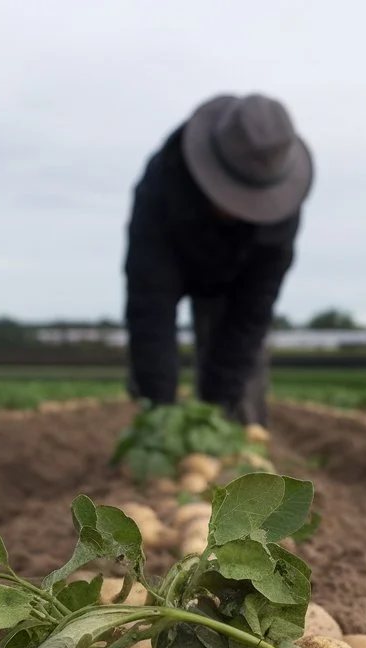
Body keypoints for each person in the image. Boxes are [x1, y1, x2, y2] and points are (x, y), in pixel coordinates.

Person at [122, 93, 314, 427]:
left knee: (240, 394)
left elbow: (251, 314)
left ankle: (235, 440)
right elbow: (150, 302)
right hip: (172, 260)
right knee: (153, 383)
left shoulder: (279, 221)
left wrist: (216, 408)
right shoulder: (164, 182)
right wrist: (159, 408)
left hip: (234, 283)